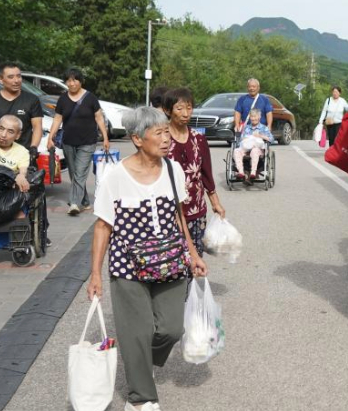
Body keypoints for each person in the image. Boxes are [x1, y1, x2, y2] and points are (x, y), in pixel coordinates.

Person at [87, 106, 208, 411]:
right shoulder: (115, 177)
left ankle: (140, 361)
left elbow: (180, 216)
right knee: (136, 332)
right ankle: (141, 398)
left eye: (168, 131)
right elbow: (102, 227)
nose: (167, 138)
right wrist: (96, 274)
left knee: (171, 329)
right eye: (159, 133)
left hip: (170, 262)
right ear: (138, 139)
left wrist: (193, 253)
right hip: (128, 267)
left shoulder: (173, 170)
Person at [164, 88, 225, 256]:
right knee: (172, 258)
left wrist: (215, 203)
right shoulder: (161, 138)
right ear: (167, 110)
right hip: (168, 211)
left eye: (189, 108)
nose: (185, 113)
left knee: (195, 255)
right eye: (179, 108)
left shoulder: (198, 139)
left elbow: (206, 173)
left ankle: (192, 283)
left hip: (196, 209)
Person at [47, 68, 109, 216]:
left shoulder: (91, 98)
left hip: (87, 141)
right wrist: (51, 136)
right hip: (68, 141)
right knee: (75, 173)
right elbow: (57, 118)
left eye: (75, 80)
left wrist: (105, 137)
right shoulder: (63, 99)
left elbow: (99, 118)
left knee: (80, 173)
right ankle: (85, 201)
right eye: (68, 80)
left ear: (81, 81)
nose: (72, 83)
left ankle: (74, 203)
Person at [0, 62, 43, 150]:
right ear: (1, 79)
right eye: (11, 77)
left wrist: (33, 148)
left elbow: (37, 126)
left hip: (22, 153)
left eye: (19, 76)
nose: (16, 80)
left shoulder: (32, 99)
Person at [234, 108, 274, 182]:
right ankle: (241, 172)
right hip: (246, 149)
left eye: (255, 116)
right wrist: (245, 139)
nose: (253, 118)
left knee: (254, 150)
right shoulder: (246, 128)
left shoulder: (264, 128)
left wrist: (260, 136)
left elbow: (271, 139)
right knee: (236, 150)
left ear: (259, 117)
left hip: (258, 150)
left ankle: (253, 172)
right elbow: (240, 141)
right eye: (252, 116)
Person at [0, 115, 31, 193]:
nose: (3, 135)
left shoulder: (22, 152)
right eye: (1, 129)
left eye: (10, 131)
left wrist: (21, 177)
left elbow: (23, 171)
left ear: (18, 135)